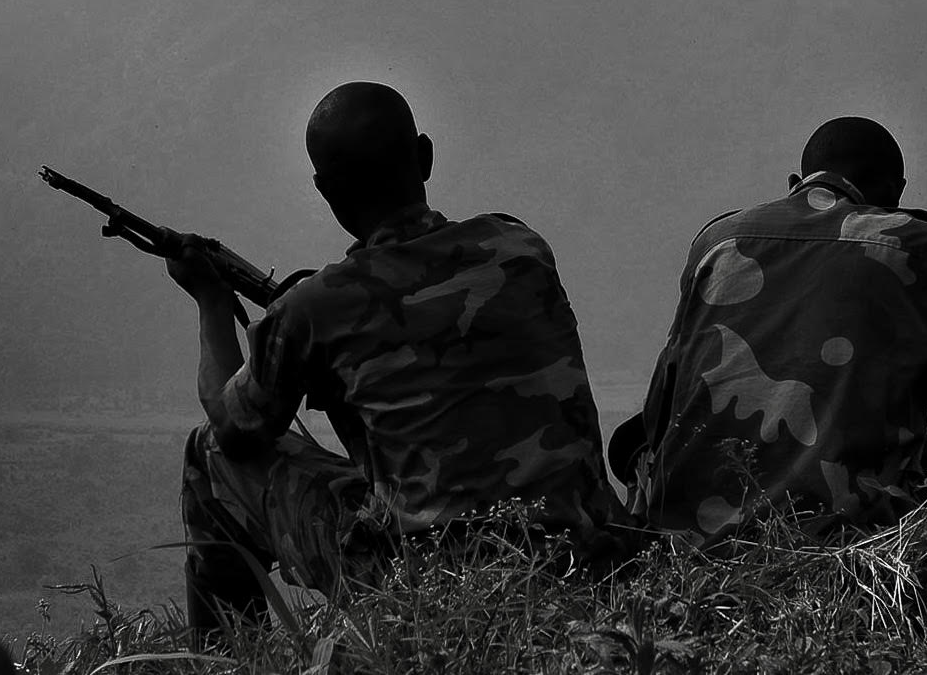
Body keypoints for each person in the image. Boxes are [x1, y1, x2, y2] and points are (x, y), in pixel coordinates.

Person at [167, 81, 617, 644]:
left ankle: (226, 657)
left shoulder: (317, 307)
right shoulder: (520, 248)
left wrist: (211, 300)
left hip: (425, 582)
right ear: (424, 156)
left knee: (205, 452)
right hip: (583, 558)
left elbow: (234, 428)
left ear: (325, 190)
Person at [612, 117, 927, 540]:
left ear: (795, 182)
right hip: (848, 536)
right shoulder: (918, 247)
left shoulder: (717, 242)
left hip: (691, 537)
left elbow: (658, 419)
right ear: (895, 193)